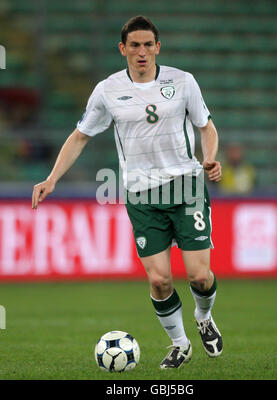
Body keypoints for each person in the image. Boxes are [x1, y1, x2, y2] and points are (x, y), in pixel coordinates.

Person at [32, 16, 223, 369]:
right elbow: (80, 136)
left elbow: (206, 127)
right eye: (134, 45)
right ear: (123, 49)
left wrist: (209, 157)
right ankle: (180, 343)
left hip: (185, 186)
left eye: (148, 45)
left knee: (199, 275)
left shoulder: (183, 82)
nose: (142, 52)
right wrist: (52, 178)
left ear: (158, 47)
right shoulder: (107, 90)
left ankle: (204, 317)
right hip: (141, 195)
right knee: (159, 280)